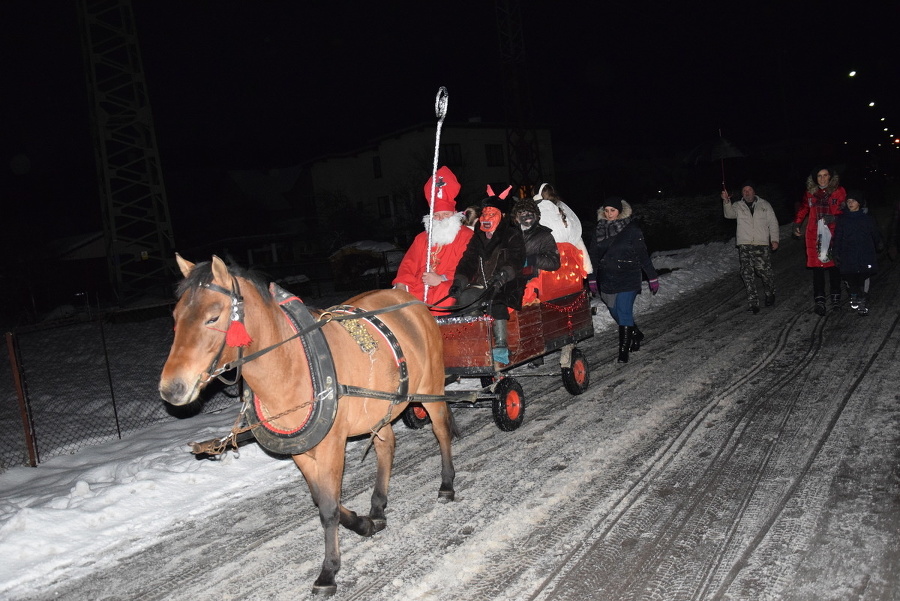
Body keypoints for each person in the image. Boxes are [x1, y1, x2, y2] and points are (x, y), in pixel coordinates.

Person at [451, 185, 526, 366]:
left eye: (491, 214)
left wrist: (504, 274)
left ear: (501, 216)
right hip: (482, 283)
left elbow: (516, 258)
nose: (486, 218)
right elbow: (467, 261)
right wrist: (459, 281)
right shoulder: (477, 238)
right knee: (466, 297)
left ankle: (501, 345)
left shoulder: (512, 235)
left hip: (506, 282)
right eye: (484, 214)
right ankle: (478, 340)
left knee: (497, 300)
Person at [588, 197, 659, 363]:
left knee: (624, 310)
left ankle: (623, 352)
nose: (609, 214)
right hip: (607, 277)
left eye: (612, 210)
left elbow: (642, 254)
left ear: (619, 211)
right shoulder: (599, 229)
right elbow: (593, 255)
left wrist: (652, 276)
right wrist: (592, 278)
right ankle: (635, 333)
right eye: (606, 210)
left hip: (629, 275)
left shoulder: (631, 229)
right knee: (615, 311)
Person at [393, 166, 474, 312]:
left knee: (447, 295)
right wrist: (401, 284)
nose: (441, 219)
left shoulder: (466, 236)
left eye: (446, 215)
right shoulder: (422, 238)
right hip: (419, 289)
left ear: (454, 213)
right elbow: (408, 264)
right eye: (437, 215)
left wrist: (441, 279)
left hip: (449, 286)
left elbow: (469, 269)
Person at [792, 166, 846, 315]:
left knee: (834, 268)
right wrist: (797, 223)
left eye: (825, 175)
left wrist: (835, 218)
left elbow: (846, 211)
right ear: (815, 178)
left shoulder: (839, 191)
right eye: (819, 176)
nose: (822, 179)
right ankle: (820, 300)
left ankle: (836, 299)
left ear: (830, 176)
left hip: (834, 234)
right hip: (815, 236)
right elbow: (803, 208)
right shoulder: (810, 193)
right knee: (818, 269)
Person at [720, 182, 780, 313]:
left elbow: (773, 223)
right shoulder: (738, 205)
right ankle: (753, 302)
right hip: (745, 245)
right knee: (747, 274)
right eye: (744, 190)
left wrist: (774, 239)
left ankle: (770, 293)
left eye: (749, 190)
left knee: (765, 272)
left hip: (761, 244)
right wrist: (726, 201)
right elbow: (729, 214)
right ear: (742, 193)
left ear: (754, 191)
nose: (747, 193)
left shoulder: (765, 205)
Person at [833, 190, 882, 316]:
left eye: (853, 201)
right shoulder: (843, 220)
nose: (850, 203)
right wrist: (836, 252)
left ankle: (862, 300)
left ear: (859, 203)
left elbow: (875, 232)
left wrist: (879, 243)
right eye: (848, 201)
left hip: (865, 253)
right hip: (848, 254)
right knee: (850, 277)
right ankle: (854, 294)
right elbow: (838, 237)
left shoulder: (867, 219)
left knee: (864, 276)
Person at [533, 183, 593, 276]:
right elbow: (577, 237)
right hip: (569, 260)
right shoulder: (562, 210)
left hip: (549, 260)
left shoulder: (538, 210)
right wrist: (586, 266)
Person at [512, 197, 560, 290]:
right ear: (516, 218)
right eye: (522, 213)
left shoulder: (544, 235)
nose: (526, 216)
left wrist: (532, 260)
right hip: (512, 282)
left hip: (532, 284)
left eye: (530, 212)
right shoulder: (511, 234)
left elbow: (554, 263)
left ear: (536, 215)